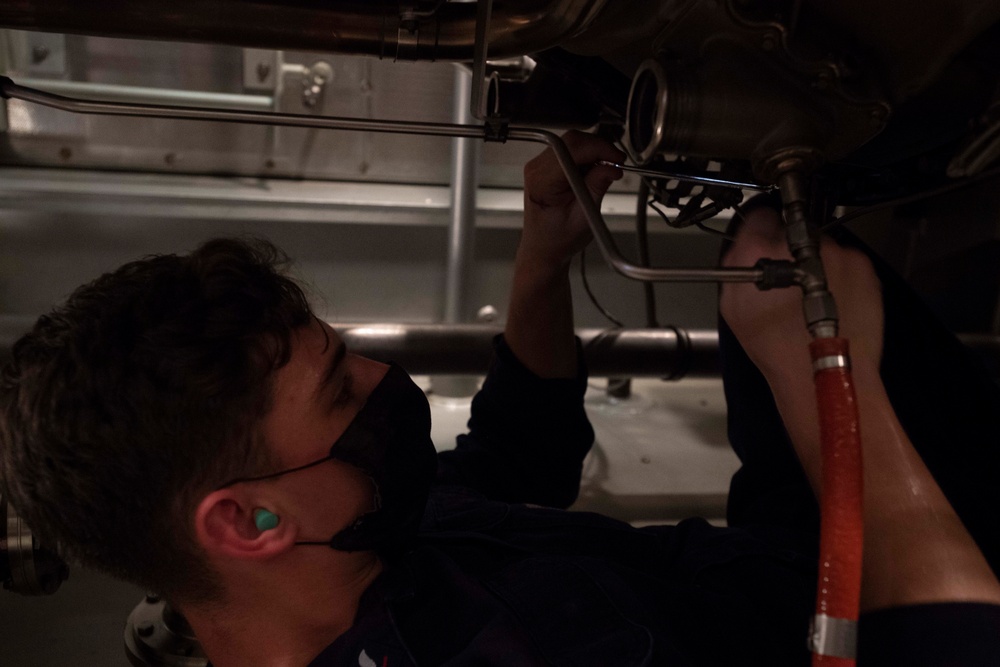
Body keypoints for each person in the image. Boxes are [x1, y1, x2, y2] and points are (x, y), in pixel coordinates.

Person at [1, 130, 999, 666]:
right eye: (339, 386)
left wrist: (543, 249)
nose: (387, 383)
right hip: (901, 614)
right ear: (250, 519)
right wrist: (830, 375)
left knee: (771, 238)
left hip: (776, 564)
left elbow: (513, 460)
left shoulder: (360, 547)